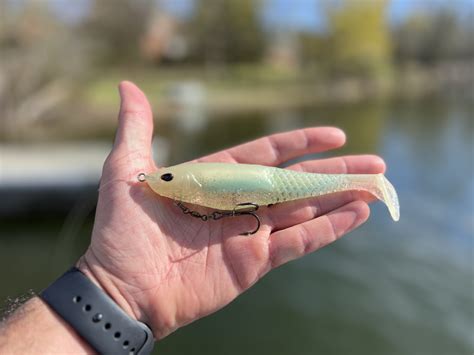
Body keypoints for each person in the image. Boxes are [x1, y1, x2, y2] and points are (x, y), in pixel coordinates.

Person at [0, 82, 385, 353]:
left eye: (165, 178)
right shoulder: (178, 187)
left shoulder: (186, 185)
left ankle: (367, 183)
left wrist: (108, 296)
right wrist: (115, 289)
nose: (157, 180)